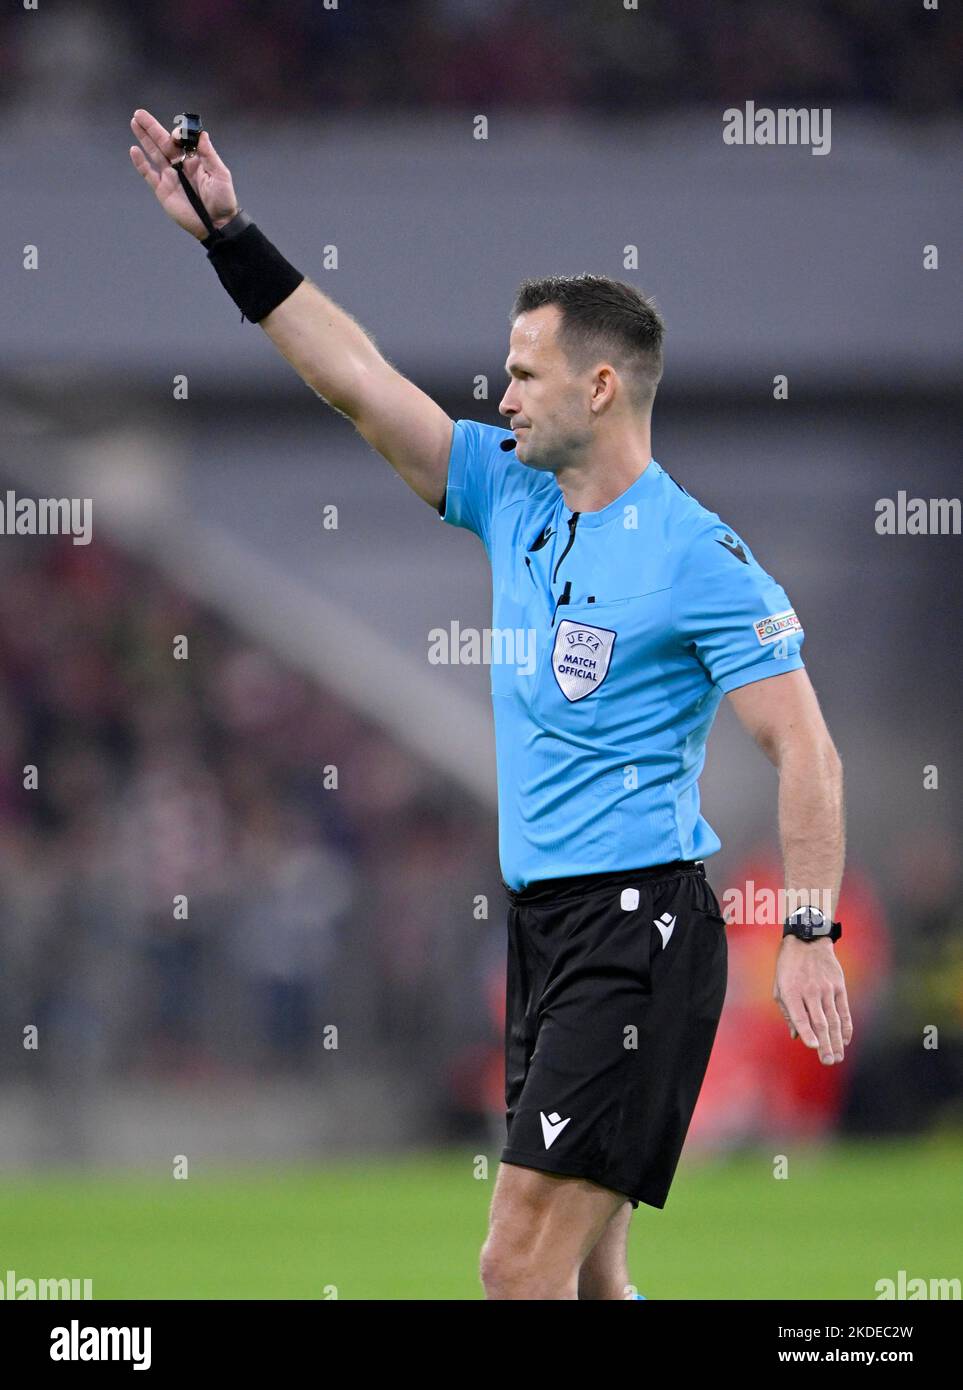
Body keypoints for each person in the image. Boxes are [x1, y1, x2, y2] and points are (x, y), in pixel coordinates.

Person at [129, 110, 853, 1300]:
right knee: (593, 1277)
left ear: (601, 385)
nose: (500, 391)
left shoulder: (699, 557)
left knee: (516, 1268)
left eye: (524, 371)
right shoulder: (512, 494)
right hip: (548, 930)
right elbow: (359, 383)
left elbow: (806, 749)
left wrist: (813, 929)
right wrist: (230, 237)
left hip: (640, 933)